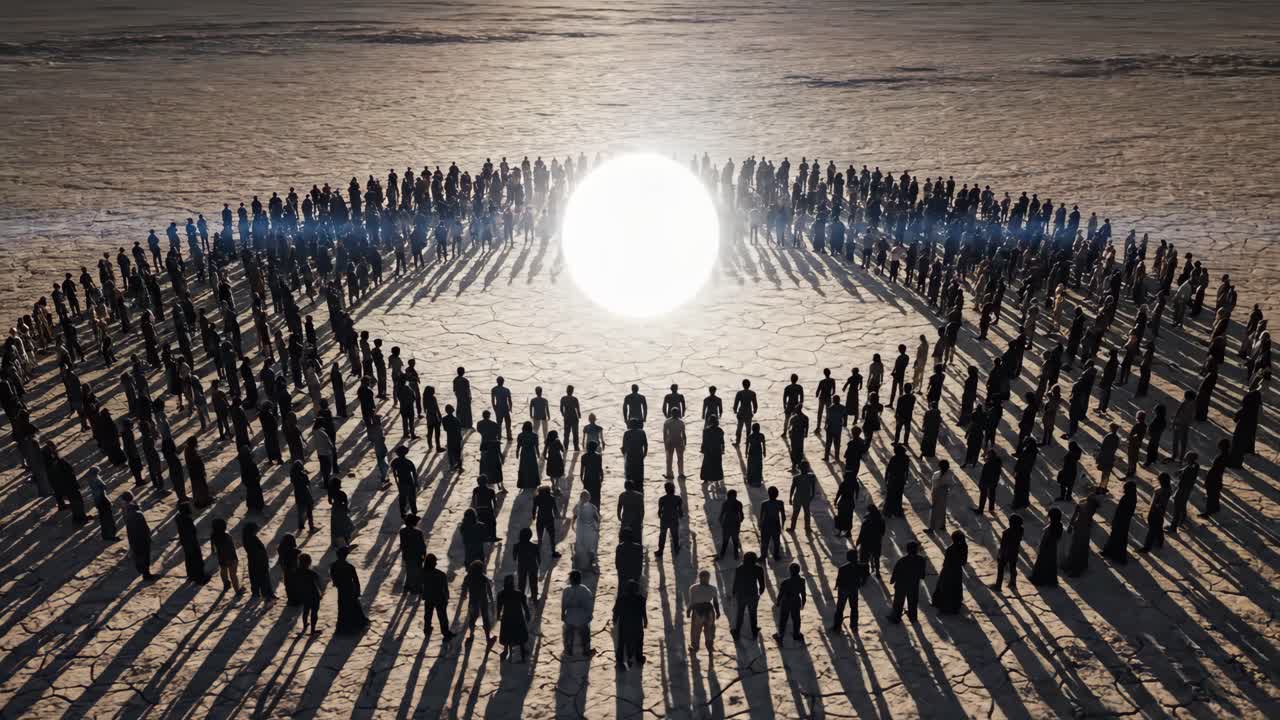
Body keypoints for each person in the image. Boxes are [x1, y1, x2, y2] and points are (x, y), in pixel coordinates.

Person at [887, 541, 926, 624]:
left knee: (899, 601)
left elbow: (896, 572)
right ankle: (913, 617)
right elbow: (922, 574)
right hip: (913, 584)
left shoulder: (902, 560)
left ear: (907, 550)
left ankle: (896, 617)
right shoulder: (921, 560)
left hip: (901, 584)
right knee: (913, 601)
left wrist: (892, 580)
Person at [496, 575, 532, 662]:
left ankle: (505, 651)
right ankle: (523, 653)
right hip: (518, 617)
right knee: (520, 636)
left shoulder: (501, 594)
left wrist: (498, 615)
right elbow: (525, 606)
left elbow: (499, 607)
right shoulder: (519, 593)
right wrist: (527, 615)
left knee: (507, 635)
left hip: (507, 617)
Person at [613, 579, 647, 670]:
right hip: (637, 624)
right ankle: (639, 658)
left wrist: (615, 620)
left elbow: (616, 611)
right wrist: (645, 621)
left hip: (624, 624)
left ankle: (620, 660)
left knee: (622, 642)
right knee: (639, 641)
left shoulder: (621, 598)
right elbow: (643, 611)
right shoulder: (641, 598)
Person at [731, 552, 766, 641]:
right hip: (753, 594)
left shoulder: (739, 568)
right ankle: (754, 631)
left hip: (741, 594)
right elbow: (762, 584)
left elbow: (736, 582)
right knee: (753, 613)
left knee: (740, 613)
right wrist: (760, 592)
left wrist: (734, 593)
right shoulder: (758, 569)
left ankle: (737, 632)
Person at [1062, 495, 1099, 577]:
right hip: (1083, 530)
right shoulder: (1089, 508)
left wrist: (1071, 526)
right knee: (1080, 548)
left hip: (1080, 530)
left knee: (1076, 548)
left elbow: (1074, 517)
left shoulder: (1082, 507)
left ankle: (1075, 568)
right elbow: (1076, 517)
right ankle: (1077, 566)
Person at [931, 531, 968, 614]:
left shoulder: (950, 549)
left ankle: (944, 606)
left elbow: (946, 562)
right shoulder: (964, 547)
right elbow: (964, 561)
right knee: (956, 587)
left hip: (948, 570)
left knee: (945, 587)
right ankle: (955, 605)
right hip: (957, 570)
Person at [1100, 482, 1138, 564]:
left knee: (1116, 537)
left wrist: (1114, 521)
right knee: (1120, 538)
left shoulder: (1126, 498)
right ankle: (1114, 554)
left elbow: (1120, 511)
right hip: (1125, 522)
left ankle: (1112, 554)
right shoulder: (1133, 497)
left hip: (1120, 521)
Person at [686, 570, 721, 657]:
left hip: (697, 611)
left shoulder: (693, 588)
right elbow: (715, 602)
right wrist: (717, 612)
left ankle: (695, 646)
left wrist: (689, 610)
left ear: (699, 577)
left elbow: (692, 601)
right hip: (709, 611)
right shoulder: (713, 588)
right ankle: (709, 646)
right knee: (709, 629)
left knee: (695, 630)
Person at [122, 493, 155, 581]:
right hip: (142, 538)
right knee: (145, 555)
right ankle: (146, 575)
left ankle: (143, 572)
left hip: (133, 538)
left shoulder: (125, 512)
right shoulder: (138, 514)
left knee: (138, 555)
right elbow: (145, 528)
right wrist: (149, 537)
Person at [561, 570, 594, 656]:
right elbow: (589, 605)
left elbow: (563, 605)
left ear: (571, 580)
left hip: (570, 617)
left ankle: (568, 650)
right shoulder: (585, 590)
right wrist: (589, 616)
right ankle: (586, 650)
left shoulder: (566, 590)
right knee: (585, 633)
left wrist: (563, 615)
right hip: (582, 618)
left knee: (568, 633)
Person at [1029, 507, 1065, 587]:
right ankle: (1050, 580)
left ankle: (1039, 580)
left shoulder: (1052, 527)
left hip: (1046, 548)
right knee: (1050, 564)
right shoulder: (1059, 525)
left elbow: (1047, 539)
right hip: (1052, 548)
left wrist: (1042, 546)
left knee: (1042, 563)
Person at [422, 554, 454, 641]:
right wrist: (447, 597)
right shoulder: (441, 574)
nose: (436, 563)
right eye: (435, 562)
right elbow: (445, 588)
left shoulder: (423, 573)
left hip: (428, 597)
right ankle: (445, 633)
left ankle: (427, 628)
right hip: (439, 598)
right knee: (442, 617)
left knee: (428, 614)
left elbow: (420, 585)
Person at [773, 562, 807, 644]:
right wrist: (803, 603)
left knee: (783, 619)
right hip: (796, 601)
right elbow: (803, 593)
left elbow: (781, 594)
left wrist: (778, 602)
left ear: (790, 571)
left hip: (786, 602)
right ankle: (796, 634)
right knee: (796, 619)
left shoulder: (785, 582)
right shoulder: (802, 581)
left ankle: (780, 636)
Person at [1166, 453, 1200, 533]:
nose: (1185, 459)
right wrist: (1181, 470)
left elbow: (1181, 476)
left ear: (1190, 459)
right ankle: (1182, 520)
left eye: (1187, 458)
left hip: (1182, 489)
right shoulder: (1196, 465)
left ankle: (1173, 527)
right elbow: (1187, 467)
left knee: (1177, 508)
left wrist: (1179, 474)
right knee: (1182, 504)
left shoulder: (1189, 470)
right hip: (1188, 489)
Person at [175, 501, 208, 583]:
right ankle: (199, 577)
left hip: (185, 541)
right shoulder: (187, 519)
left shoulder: (178, 517)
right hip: (191, 541)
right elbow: (192, 531)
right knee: (196, 559)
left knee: (189, 558)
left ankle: (191, 575)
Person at [831, 549, 862, 633]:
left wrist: (837, 586)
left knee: (840, 608)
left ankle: (837, 626)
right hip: (853, 590)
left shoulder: (842, 568)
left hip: (843, 589)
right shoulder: (859, 567)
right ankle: (854, 626)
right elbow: (862, 578)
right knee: (854, 608)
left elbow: (839, 579)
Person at [1139, 473, 1172, 553]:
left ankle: (1147, 547)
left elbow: (1160, 504)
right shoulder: (1167, 489)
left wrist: (1156, 507)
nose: (1159, 481)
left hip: (1156, 512)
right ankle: (1160, 541)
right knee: (1158, 527)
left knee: (1152, 530)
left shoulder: (1164, 491)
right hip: (1159, 512)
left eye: (1160, 480)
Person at [243, 522, 276, 602]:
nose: (257, 531)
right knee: (263, 578)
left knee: (254, 578)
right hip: (259, 562)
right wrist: (264, 561)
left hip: (253, 561)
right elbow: (258, 552)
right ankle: (266, 595)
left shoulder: (247, 538)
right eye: (255, 530)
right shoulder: (252, 539)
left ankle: (257, 593)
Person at [210, 517, 243, 594]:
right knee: (233, 575)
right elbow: (231, 548)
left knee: (223, 571)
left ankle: (226, 585)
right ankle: (237, 591)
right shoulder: (227, 536)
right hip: (231, 558)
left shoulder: (213, 536)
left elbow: (213, 549)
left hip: (221, 557)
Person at [993, 515, 1023, 592]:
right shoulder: (1020, 530)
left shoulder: (1006, 533)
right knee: (1013, 567)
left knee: (1001, 569)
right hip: (1014, 553)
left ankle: (998, 585)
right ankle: (1013, 583)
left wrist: (1000, 555)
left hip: (1005, 554)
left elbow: (1003, 545)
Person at [571, 491, 600, 571]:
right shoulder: (592, 507)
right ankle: (591, 561)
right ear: (589, 498)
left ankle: (579, 561)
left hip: (580, 530)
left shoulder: (577, 506)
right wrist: (596, 527)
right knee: (590, 545)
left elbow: (574, 515)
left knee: (580, 543)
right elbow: (597, 518)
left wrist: (572, 525)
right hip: (589, 529)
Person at [87, 468, 118, 541]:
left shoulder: (91, 480)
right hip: (102, 501)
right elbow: (104, 487)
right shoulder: (96, 480)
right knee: (107, 519)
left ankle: (107, 534)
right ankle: (110, 535)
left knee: (104, 519)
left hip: (99, 501)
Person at [1201, 438, 1229, 517]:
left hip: (1214, 477)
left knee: (1211, 494)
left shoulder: (1222, 456)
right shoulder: (1225, 455)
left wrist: (1208, 477)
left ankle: (1208, 511)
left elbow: (1215, 468)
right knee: (1215, 494)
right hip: (1217, 477)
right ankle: (1216, 508)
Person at [655, 481, 684, 557]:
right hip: (674, 519)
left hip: (664, 519)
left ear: (666, 490)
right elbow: (680, 510)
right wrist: (680, 516)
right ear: (673, 489)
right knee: (675, 535)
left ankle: (660, 551)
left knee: (662, 536)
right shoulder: (678, 498)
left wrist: (661, 517)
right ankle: (676, 549)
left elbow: (659, 511)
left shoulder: (662, 499)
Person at [856, 504, 886, 577]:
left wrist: (858, 541)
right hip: (876, 541)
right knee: (876, 557)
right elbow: (882, 532)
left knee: (864, 557)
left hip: (866, 542)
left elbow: (862, 532)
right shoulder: (881, 520)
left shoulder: (866, 520)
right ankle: (877, 571)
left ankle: (865, 572)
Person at [296, 553, 323, 634]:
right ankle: (312, 629)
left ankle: (305, 625)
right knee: (314, 612)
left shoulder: (297, 572)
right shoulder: (312, 573)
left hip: (304, 594)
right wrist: (321, 593)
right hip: (314, 594)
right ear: (309, 562)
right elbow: (318, 583)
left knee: (305, 610)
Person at [399, 514, 426, 594]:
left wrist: (404, 553)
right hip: (417, 555)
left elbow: (403, 545)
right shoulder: (418, 532)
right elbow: (422, 545)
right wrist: (424, 555)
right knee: (418, 572)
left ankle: (407, 587)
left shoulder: (402, 531)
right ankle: (418, 589)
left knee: (409, 571)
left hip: (407, 555)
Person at [788, 461, 816, 532]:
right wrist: (812, 496)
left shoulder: (796, 478)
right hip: (806, 497)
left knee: (795, 513)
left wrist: (790, 498)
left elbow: (792, 488)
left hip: (798, 497)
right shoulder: (811, 477)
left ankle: (792, 528)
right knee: (807, 513)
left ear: (799, 468)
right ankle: (807, 528)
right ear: (808, 468)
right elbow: (813, 488)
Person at [759, 486, 785, 561]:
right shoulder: (780, 503)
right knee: (776, 541)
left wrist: (760, 525)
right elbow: (783, 516)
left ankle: (763, 556)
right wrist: (782, 526)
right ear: (777, 494)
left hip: (766, 525)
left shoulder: (764, 503)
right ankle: (776, 555)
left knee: (765, 542)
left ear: (768, 494)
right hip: (775, 525)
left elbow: (761, 516)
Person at [973, 449, 1002, 514]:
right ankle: (991, 509)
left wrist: (980, 484)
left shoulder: (987, 464)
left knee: (983, 496)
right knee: (992, 495)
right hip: (994, 482)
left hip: (986, 482)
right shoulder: (998, 463)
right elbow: (998, 473)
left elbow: (984, 475)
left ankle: (980, 510)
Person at [926, 460, 951, 532]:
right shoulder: (948, 475)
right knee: (942, 509)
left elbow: (934, 485)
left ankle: (932, 528)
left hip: (937, 492)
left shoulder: (936, 474)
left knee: (934, 510)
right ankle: (942, 525)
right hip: (943, 493)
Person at [699, 414, 725, 484]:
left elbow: (704, 441)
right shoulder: (720, 430)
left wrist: (702, 449)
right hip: (717, 450)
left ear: (709, 421)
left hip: (708, 450)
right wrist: (723, 450)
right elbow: (722, 442)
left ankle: (706, 479)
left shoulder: (706, 431)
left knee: (706, 464)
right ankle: (717, 478)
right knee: (717, 464)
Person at [621, 419, 647, 484]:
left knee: (630, 470)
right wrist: (645, 453)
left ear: (630, 425)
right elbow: (645, 444)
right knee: (639, 469)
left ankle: (630, 483)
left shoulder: (626, 433)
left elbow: (624, 446)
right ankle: (639, 482)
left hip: (630, 454)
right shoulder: (642, 432)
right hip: (639, 453)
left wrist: (624, 454)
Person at [662, 408, 686, 479]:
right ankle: (681, 473)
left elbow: (665, 434)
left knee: (669, 459)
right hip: (679, 441)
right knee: (680, 458)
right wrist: (685, 443)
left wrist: (665, 443)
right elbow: (683, 434)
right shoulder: (681, 422)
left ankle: (669, 474)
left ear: (671, 413)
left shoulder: (667, 422)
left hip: (670, 441)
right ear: (678, 413)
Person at [560, 385, 581, 451]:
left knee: (566, 433)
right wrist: (579, 415)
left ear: (566, 391)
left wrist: (564, 415)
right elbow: (578, 409)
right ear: (572, 391)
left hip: (567, 418)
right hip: (574, 418)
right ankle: (576, 447)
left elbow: (561, 409)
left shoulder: (563, 398)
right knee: (575, 433)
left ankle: (565, 447)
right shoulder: (575, 399)